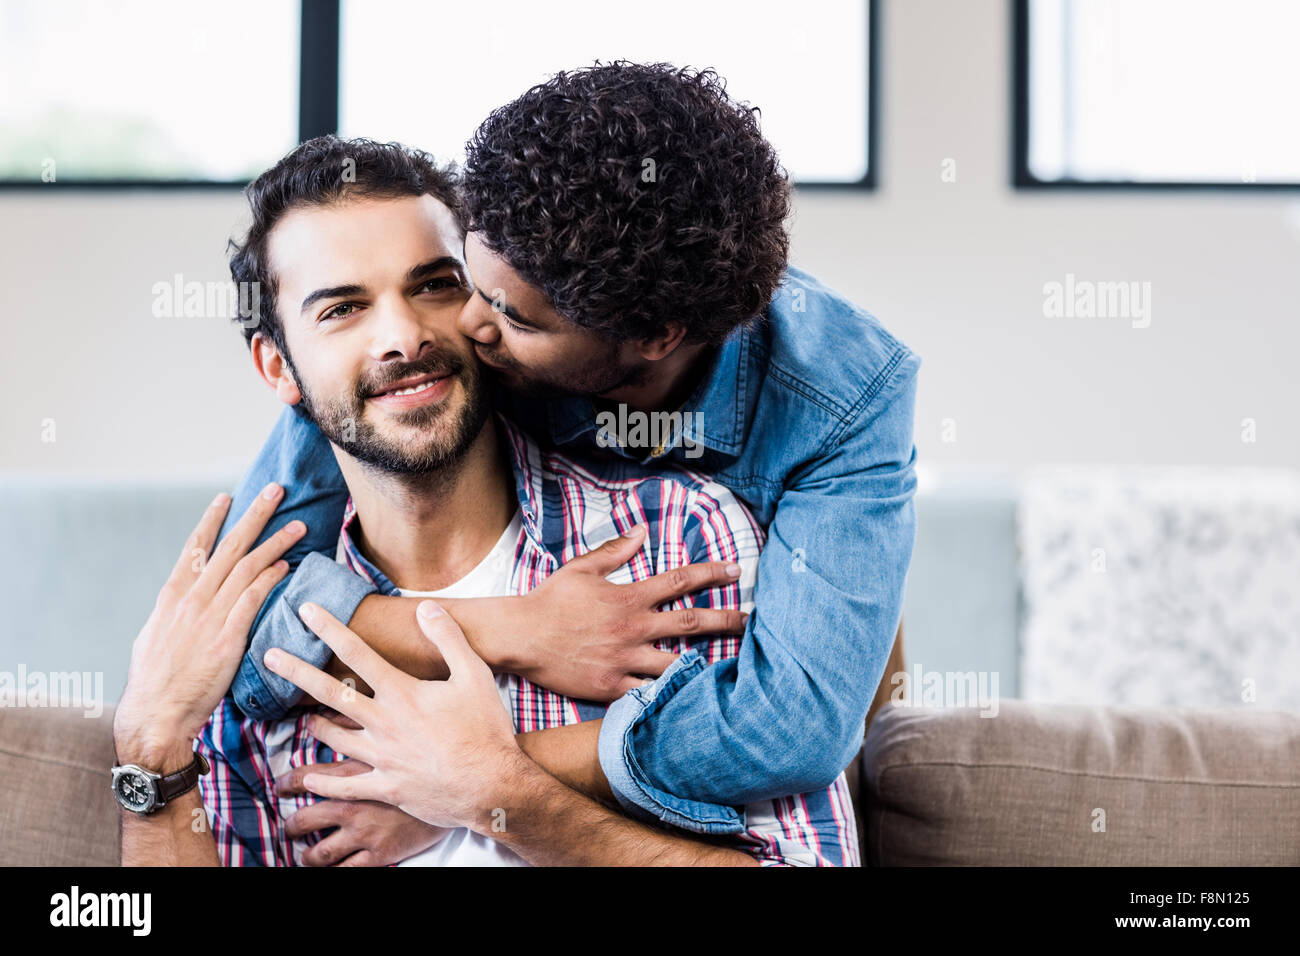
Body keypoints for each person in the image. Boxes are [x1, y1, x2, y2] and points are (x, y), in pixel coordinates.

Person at [112, 140, 857, 865]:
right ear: (279, 368)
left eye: (435, 284)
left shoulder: (678, 539)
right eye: (342, 309)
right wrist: (150, 748)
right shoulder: (235, 630)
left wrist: (498, 793)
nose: (403, 337)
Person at [223, 62, 920, 837]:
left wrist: (455, 781)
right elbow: (247, 609)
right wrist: (519, 629)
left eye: (512, 317)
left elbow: (791, 728)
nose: (464, 331)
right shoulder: (420, 345)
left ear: (653, 339)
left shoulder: (842, 396)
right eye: (466, 283)